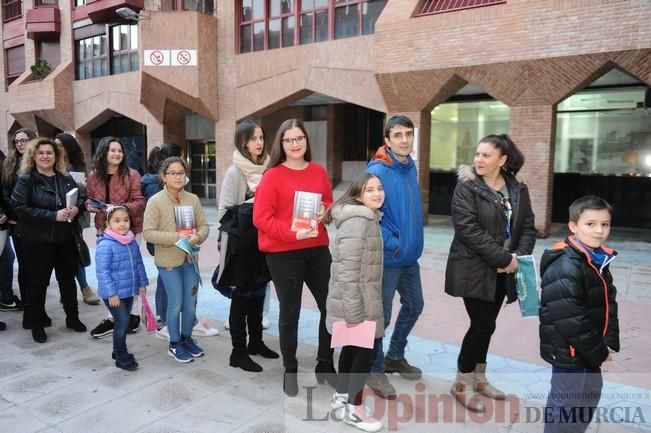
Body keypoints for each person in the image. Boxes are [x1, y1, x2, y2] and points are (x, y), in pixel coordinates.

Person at [445, 133, 536, 412]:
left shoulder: (517, 189)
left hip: (504, 269)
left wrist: (516, 257)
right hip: (474, 267)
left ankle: (479, 378)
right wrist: (503, 258)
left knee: (488, 325)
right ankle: (462, 383)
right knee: (482, 324)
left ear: (502, 160)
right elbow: (467, 229)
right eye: (477, 154)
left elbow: (528, 226)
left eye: (486, 155)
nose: (479, 160)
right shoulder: (467, 187)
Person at [253, 118, 335, 397]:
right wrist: (291, 233)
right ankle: (290, 368)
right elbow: (261, 219)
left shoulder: (318, 171)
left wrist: (325, 212)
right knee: (291, 313)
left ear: (306, 141)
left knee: (331, 308)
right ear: (282, 144)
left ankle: (325, 364)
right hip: (284, 253)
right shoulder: (272, 176)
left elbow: (327, 203)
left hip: (317, 249)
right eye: (289, 140)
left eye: (299, 138)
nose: (295, 143)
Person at [540, 196, 619, 433]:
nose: (599, 230)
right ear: (573, 226)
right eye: (590, 224)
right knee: (565, 404)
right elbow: (570, 318)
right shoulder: (566, 265)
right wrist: (600, 351)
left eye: (605, 224)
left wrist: (610, 341)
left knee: (588, 397)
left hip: (590, 348)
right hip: (570, 351)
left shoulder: (597, 259)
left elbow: (608, 305)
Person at [366, 115, 424, 399]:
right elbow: (369, 213)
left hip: (410, 258)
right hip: (389, 258)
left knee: (415, 305)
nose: (404, 139)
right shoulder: (378, 171)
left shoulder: (410, 168)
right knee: (381, 317)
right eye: (398, 135)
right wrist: (394, 243)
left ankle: (395, 355)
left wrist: (410, 244)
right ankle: (374, 369)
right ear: (387, 140)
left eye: (408, 134)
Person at [324, 173, 385, 432]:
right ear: (358, 195)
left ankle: (341, 397)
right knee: (364, 353)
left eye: (379, 188)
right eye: (370, 190)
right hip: (357, 301)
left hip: (361, 296)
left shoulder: (367, 218)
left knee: (352, 349)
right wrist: (354, 313)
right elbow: (348, 272)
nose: (377, 193)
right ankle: (355, 410)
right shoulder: (359, 222)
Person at [11, 137, 87, 343]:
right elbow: (19, 208)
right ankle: (37, 324)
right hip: (37, 241)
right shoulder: (26, 179)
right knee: (38, 283)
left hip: (65, 239)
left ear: (56, 156)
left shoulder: (65, 178)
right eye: (41, 153)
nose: (45, 156)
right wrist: (52, 215)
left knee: (68, 281)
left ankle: (73, 318)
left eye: (49, 153)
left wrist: (77, 208)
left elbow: (80, 199)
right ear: (33, 156)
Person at [217, 120, 279, 373]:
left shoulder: (269, 169)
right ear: (243, 142)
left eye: (261, 138)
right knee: (241, 299)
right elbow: (223, 212)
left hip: (263, 242)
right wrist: (254, 203)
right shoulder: (235, 172)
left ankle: (256, 342)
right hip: (241, 245)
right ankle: (237, 352)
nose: (259, 143)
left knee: (259, 294)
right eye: (253, 138)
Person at [141, 144, 218, 340]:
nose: (177, 177)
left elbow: (204, 226)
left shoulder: (192, 199)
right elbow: (148, 233)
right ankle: (174, 343)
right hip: (168, 262)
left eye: (181, 173)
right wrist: (176, 237)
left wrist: (198, 236)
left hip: (190, 259)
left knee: (190, 302)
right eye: (172, 173)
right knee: (175, 304)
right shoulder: (156, 201)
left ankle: (187, 338)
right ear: (163, 177)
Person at [86, 136, 145, 339]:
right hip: (104, 231)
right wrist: (90, 206)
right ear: (104, 152)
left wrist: (120, 209)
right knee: (108, 273)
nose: (117, 154)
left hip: (130, 231)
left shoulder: (132, 174)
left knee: (130, 272)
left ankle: (134, 315)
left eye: (119, 151)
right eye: (112, 150)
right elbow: (89, 199)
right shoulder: (94, 176)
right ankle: (112, 317)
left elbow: (140, 202)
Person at [95, 205, 148, 371]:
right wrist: (111, 293)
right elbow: (103, 272)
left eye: (126, 220)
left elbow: (138, 264)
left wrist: (142, 284)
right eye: (117, 220)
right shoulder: (106, 245)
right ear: (108, 223)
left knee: (122, 322)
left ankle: (117, 350)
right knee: (122, 322)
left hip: (128, 291)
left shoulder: (131, 242)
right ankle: (121, 356)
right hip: (113, 294)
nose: (122, 224)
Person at [55, 133, 101, 306]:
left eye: (60, 144)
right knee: (59, 255)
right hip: (56, 216)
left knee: (75, 251)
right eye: (55, 144)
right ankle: (66, 289)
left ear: (69, 147)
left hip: (76, 215)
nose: (57, 147)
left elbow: (86, 193)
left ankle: (84, 288)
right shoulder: (51, 165)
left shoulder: (78, 167)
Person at [1, 128, 37, 320]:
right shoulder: (9, 164)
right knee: (24, 264)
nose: (21, 144)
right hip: (18, 222)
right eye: (17, 141)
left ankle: (36, 304)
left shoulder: (39, 161)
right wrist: (16, 213)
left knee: (38, 265)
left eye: (24, 140)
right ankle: (28, 306)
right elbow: (5, 193)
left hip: (39, 222)